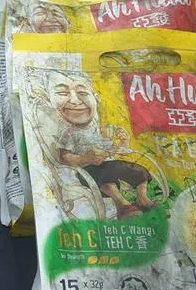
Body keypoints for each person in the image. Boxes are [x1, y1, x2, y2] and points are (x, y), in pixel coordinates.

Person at [45, 71, 155, 218]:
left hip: (109, 164)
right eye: (63, 93)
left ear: (96, 100)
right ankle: (122, 205)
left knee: (138, 171)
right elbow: (64, 157)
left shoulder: (101, 131)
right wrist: (85, 159)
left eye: (83, 93)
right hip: (88, 170)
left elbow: (111, 151)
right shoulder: (69, 133)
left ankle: (142, 198)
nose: (75, 102)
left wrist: (122, 145)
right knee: (107, 181)